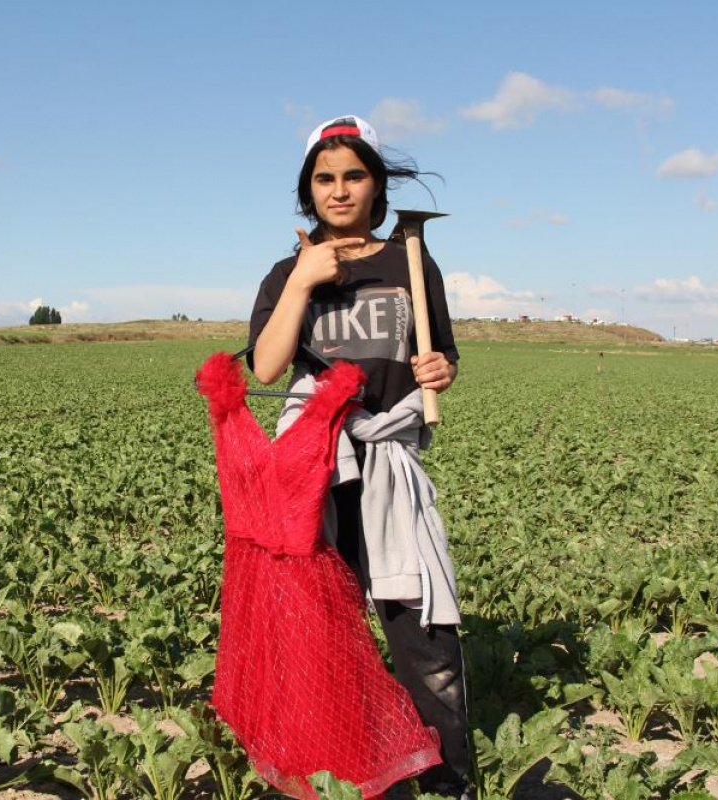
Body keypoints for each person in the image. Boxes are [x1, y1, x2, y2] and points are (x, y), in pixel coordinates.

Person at [246, 115, 471, 798]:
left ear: (375, 186)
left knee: (421, 629)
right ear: (307, 190)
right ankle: (345, 770)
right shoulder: (290, 269)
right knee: (323, 627)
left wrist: (439, 369)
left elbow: (443, 353)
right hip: (316, 467)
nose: (339, 191)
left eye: (353, 176)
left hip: (388, 463)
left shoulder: (408, 258)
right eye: (325, 179)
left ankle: (446, 780)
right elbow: (265, 367)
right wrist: (304, 279)